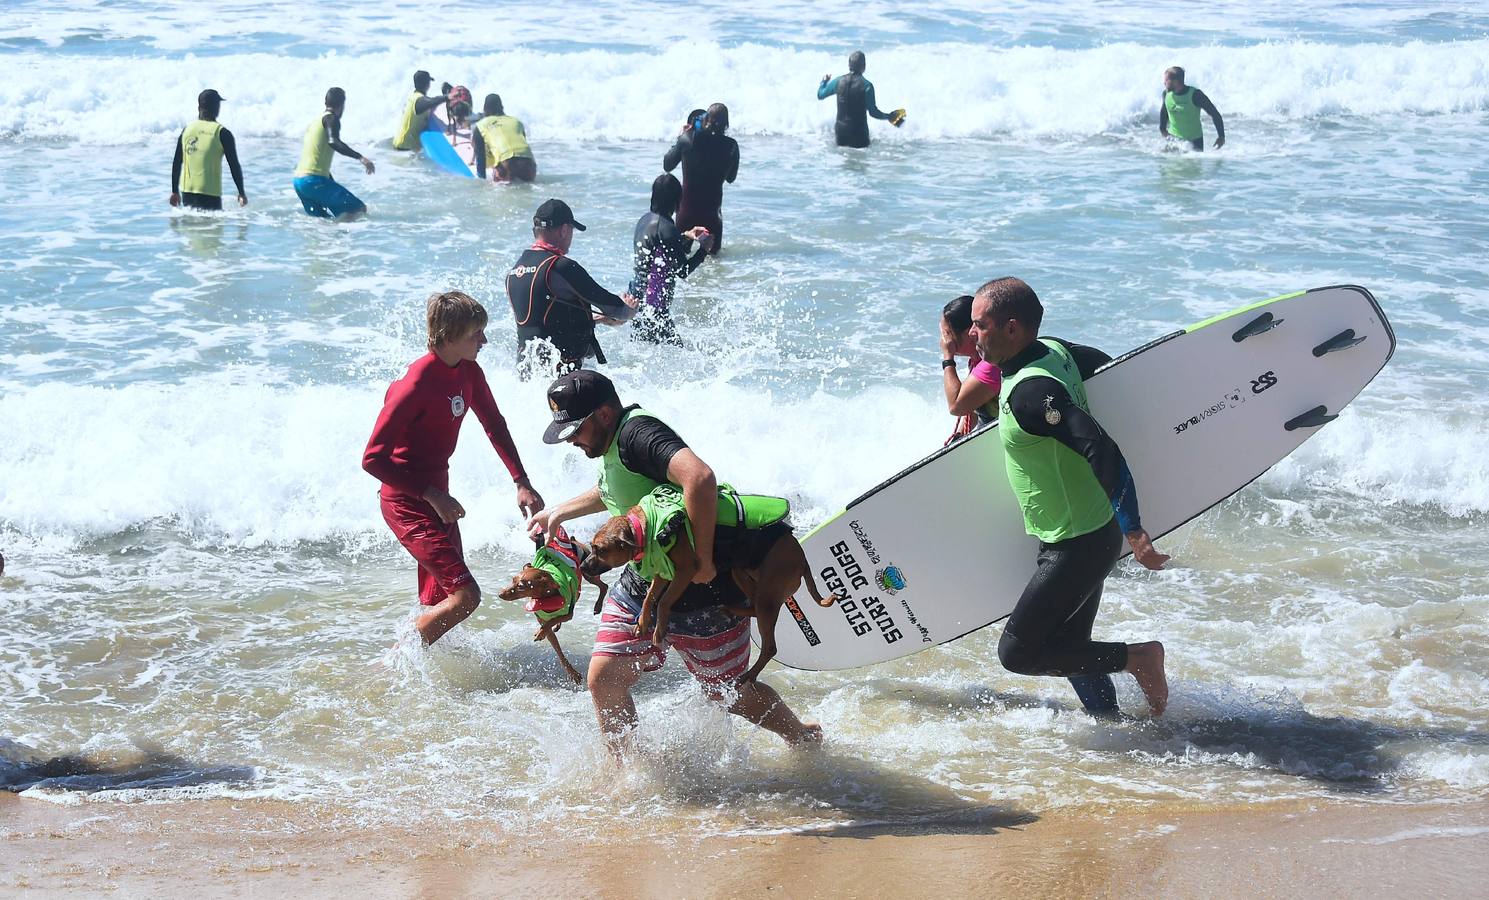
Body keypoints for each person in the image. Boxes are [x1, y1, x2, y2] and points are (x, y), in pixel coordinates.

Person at [528, 370, 823, 756]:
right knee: (604, 678)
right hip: (643, 584)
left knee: (729, 693)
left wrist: (702, 559)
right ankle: (629, 777)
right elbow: (615, 489)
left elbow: (699, 478)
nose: (572, 442)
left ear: (602, 414)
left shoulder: (638, 435)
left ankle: (802, 736)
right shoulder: (612, 444)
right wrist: (559, 513)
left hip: (702, 593)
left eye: (576, 431)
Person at [968, 277, 1170, 716]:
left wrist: (1134, 530)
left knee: (1017, 654)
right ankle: (1112, 726)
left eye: (979, 325)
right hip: (1082, 530)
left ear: (1012, 329)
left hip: (1077, 543)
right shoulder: (1054, 351)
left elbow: (1100, 447)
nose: (971, 335)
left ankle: (1140, 658)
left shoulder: (1030, 393)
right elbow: (1110, 368)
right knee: (1070, 647)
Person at [362, 291, 544, 646]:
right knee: (466, 596)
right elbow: (372, 458)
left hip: (437, 498)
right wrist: (430, 495)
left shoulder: (469, 372)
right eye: (476, 333)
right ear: (448, 336)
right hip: (408, 503)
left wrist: (521, 481)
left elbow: (495, 424)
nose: (485, 340)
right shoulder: (413, 386)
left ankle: (418, 677)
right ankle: (393, 664)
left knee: (439, 600)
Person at [505, 199, 637, 372]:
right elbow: (617, 309)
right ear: (564, 230)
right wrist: (629, 310)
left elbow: (540, 325)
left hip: (527, 374)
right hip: (565, 378)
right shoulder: (561, 267)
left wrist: (598, 319)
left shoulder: (514, 273)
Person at [629, 173, 711, 345]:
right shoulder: (667, 228)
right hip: (654, 304)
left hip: (636, 297)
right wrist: (704, 250)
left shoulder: (644, 220)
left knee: (640, 350)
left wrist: (686, 237)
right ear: (677, 199)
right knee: (678, 350)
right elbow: (682, 271)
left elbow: (658, 253)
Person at [662, 103, 737, 256]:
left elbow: (667, 165)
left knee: (679, 258)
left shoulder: (688, 139)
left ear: (705, 120)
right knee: (714, 263)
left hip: (686, 212)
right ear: (726, 124)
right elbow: (731, 178)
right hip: (712, 214)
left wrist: (680, 138)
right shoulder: (731, 146)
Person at [292, 87, 375, 220]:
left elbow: (315, 155)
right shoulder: (331, 119)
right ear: (342, 105)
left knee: (323, 222)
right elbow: (333, 142)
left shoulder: (315, 122)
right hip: (313, 180)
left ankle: (329, 240)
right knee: (358, 209)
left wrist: (331, 183)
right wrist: (360, 157)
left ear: (326, 102)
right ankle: (342, 239)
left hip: (299, 182)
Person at [169, 89, 246, 211]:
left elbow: (177, 162)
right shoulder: (222, 133)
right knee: (210, 229)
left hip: (187, 193)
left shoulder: (186, 130)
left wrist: (174, 191)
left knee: (190, 228)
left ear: (199, 107)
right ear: (217, 107)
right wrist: (241, 192)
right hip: (211, 196)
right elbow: (234, 165)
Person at [938, 294, 1001, 444]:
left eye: (947, 333)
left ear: (969, 332)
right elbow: (972, 401)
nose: (945, 340)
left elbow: (956, 406)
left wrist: (948, 358)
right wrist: (959, 435)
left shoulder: (991, 364)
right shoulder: (977, 360)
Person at [817, 50, 904, 149]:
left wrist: (823, 82)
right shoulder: (867, 86)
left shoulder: (838, 82)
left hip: (841, 134)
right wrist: (889, 117)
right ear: (864, 66)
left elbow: (820, 95)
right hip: (859, 136)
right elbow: (873, 112)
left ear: (849, 65)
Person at [471, 94, 537, 183]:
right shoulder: (516, 121)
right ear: (502, 107)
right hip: (529, 166)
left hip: (507, 166)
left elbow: (480, 157)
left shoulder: (481, 125)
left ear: (485, 109)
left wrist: (481, 180)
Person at [1159, 66, 1224, 151]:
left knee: (1192, 164)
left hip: (1194, 141)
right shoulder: (1166, 94)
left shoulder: (1196, 95)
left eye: (1167, 80)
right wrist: (1162, 129)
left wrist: (1221, 136)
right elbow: (1164, 111)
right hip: (1173, 139)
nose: (1164, 82)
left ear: (1175, 82)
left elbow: (1215, 114)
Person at [392, 70, 450, 151]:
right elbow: (430, 102)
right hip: (406, 149)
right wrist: (447, 97)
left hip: (399, 145)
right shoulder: (419, 100)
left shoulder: (412, 98)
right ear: (427, 85)